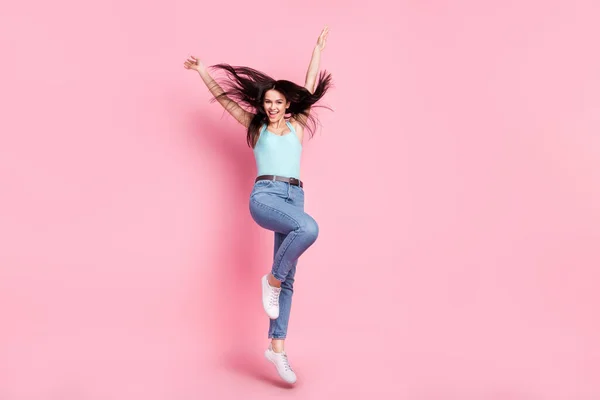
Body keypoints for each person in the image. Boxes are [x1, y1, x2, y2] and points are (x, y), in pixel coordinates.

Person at [183, 26, 332, 384]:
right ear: (264, 104)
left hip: (295, 195)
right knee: (307, 229)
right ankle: (271, 279)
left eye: (279, 102)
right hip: (265, 196)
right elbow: (225, 101)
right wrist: (204, 71)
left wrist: (317, 50)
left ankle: (276, 349)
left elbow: (309, 88)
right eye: (269, 102)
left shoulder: (298, 125)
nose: (273, 107)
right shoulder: (257, 126)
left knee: (291, 280)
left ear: (288, 104)